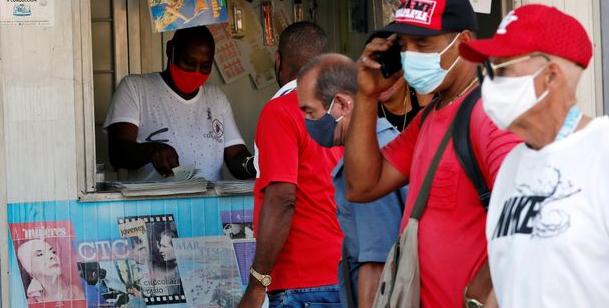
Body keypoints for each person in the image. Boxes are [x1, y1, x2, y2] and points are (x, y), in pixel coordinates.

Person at [345, 0, 522, 307]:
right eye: (405, 46)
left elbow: (523, 219)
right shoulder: (431, 116)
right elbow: (361, 186)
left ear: (465, 42)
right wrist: (367, 95)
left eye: (424, 44)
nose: (412, 54)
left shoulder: (489, 114)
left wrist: (479, 295)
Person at [459, 4, 609, 307]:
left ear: (551, 76)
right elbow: (509, 284)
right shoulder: (512, 167)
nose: (488, 82)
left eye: (501, 69)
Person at [237, 21, 343, 308]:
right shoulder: (346, 108)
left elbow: (283, 199)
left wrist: (257, 285)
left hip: (302, 282)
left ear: (279, 60)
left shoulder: (280, 111)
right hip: (347, 274)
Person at [296, 53, 407, 308]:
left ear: (343, 105)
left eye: (310, 111)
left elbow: (376, 263)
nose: (308, 122)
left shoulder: (366, 162)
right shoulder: (385, 142)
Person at [105, 26, 254, 181]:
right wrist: (152, 150)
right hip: (154, 203)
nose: (196, 72)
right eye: (189, 62)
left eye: (205, 66)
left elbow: (236, 156)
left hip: (209, 203)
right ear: (170, 50)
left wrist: (255, 165)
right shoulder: (135, 88)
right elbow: (117, 153)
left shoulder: (216, 98)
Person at [17, 239, 85, 303]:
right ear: (28, 267)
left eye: (53, 252)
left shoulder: (79, 293)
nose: (52, 255)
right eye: (40, 254)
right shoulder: (27, 303)